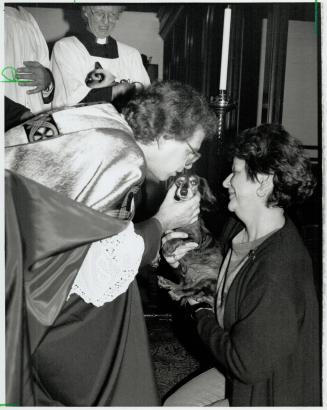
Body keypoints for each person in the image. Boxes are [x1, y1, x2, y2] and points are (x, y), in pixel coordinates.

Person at [5, 81, 217, 406]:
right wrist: (163, 222)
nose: (190, 164)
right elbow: (103, 263)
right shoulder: (123, 158)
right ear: (165, 135)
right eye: (191, 151)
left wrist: (156, 237)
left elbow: (83, 228)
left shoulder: (101, 119)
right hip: (40, 295)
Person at [162, 124, 320, 406]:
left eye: (234, 172)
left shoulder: (277, 270)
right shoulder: (240, 230)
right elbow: (223, 284)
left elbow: (247, 366)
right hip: (244, 372)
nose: (225, 182)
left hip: (271, 391)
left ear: (263, 182)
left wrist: (200, 312)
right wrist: (183, 259)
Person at [51, 5, 150, 109]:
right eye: (99, 13)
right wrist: (118, 90)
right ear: (86, 12)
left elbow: (146, 102)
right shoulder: (67, 47)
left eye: (112, 14)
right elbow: (72, 98)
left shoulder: (131, 55)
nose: (106, 21)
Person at [5, 6, 55, 114]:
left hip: (36, 117)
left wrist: (47, 79)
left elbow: (45, 63)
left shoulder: (28, 18)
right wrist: (17, 114)